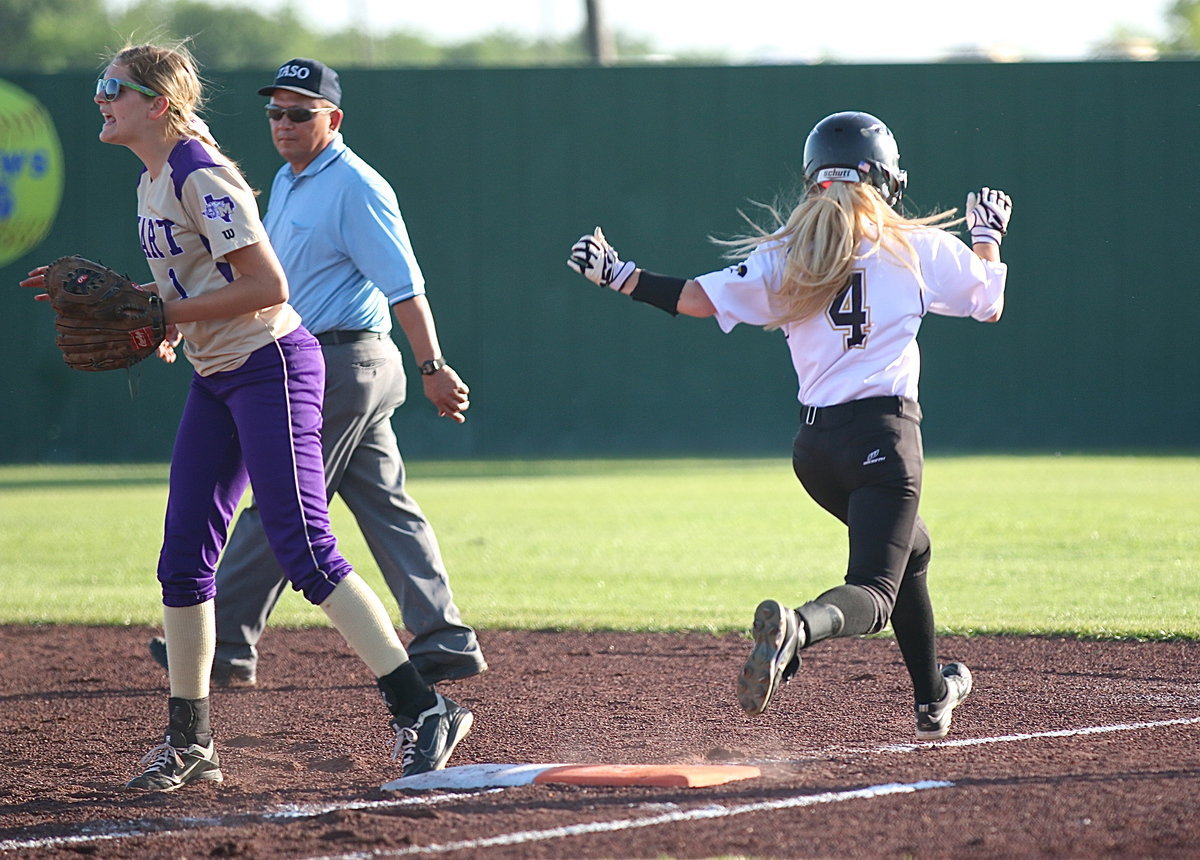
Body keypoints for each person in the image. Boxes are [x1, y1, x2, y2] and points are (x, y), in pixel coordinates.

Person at [20, 42, 472, 791]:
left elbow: (267, 285)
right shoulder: (153, 179)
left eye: (114, 88)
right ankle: (192, 743)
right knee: (183, 557)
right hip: (216, 373)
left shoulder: (202, 173)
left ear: (158, 104)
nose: (100, 98)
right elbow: (196, 283)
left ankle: (423, 709)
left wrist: (167, 309)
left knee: (304, 548)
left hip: (272, 366)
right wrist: (158, 316)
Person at [566, 110, 1012, 740]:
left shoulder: (785, 251)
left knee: (914, 548)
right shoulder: (915, 248)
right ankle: (799, 628)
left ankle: (932, 695)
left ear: (812, 181)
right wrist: (987, 233)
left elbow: (695, 297)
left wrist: (620, 276)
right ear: (886, 178)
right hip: (885, 439)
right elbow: (988, 302)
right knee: (874, 594)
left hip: (815, 451)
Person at [146, 57, 486, 688]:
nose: (284, 122)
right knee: (385, 503)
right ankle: (444, 635)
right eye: (274, 111)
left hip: (341, 359)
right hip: (328, 358)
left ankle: (226, 641)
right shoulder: (285, 180)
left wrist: (433, 364)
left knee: (285, 510)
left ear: (333, 118)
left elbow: (405, 285)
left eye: (299, 112)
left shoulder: (355, 184)